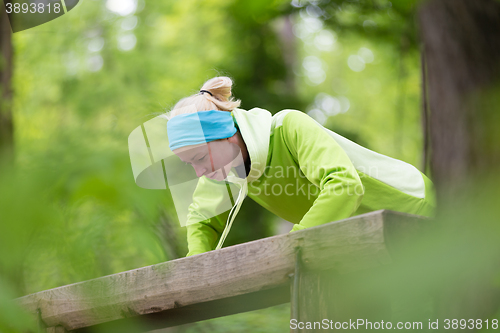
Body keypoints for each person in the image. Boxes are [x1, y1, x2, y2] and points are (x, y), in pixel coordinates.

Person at [164, 76, 435, 257]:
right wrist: (196, 266)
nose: (199, 172)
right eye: (190, 164)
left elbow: (345, 185)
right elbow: (203, 221)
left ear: (228, 134)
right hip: (365, 241)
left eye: (199, 158)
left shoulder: (288, 127)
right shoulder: (222, 169)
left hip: (416, 210)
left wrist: (292, 246)